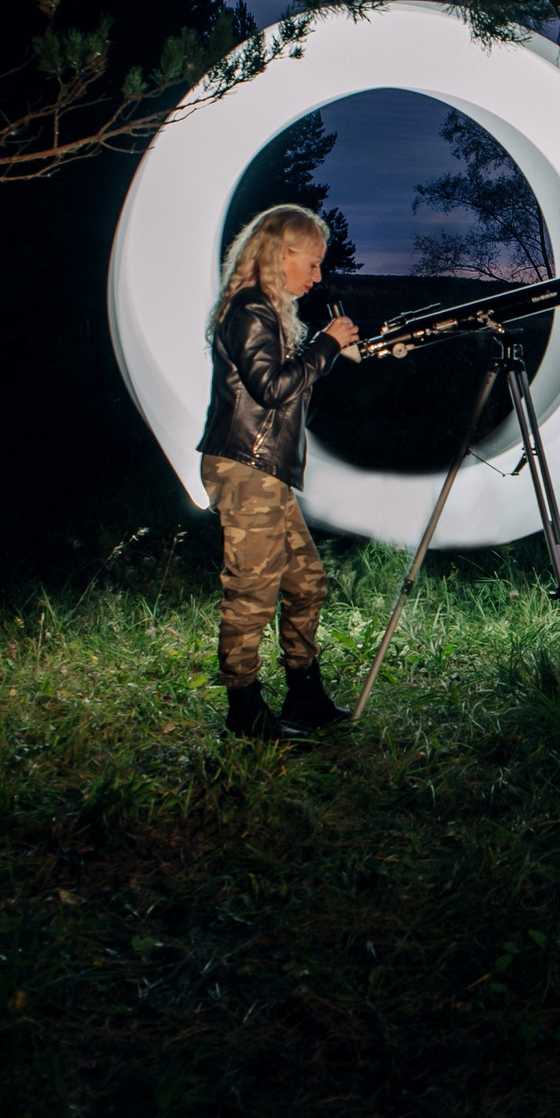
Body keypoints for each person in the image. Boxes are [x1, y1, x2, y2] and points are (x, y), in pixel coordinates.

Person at [197, 204, 360, 738]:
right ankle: (244, 713)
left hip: (266, 470)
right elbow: (270, 388)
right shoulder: (250, 310)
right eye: (311, 263)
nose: (317, 276)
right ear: (280, 254)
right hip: (247, 468)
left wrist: (336, 352)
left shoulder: (268, 310)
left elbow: (284, 380)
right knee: (251, 594)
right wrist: (326, 346)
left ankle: (304, 696)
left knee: (307, 583)